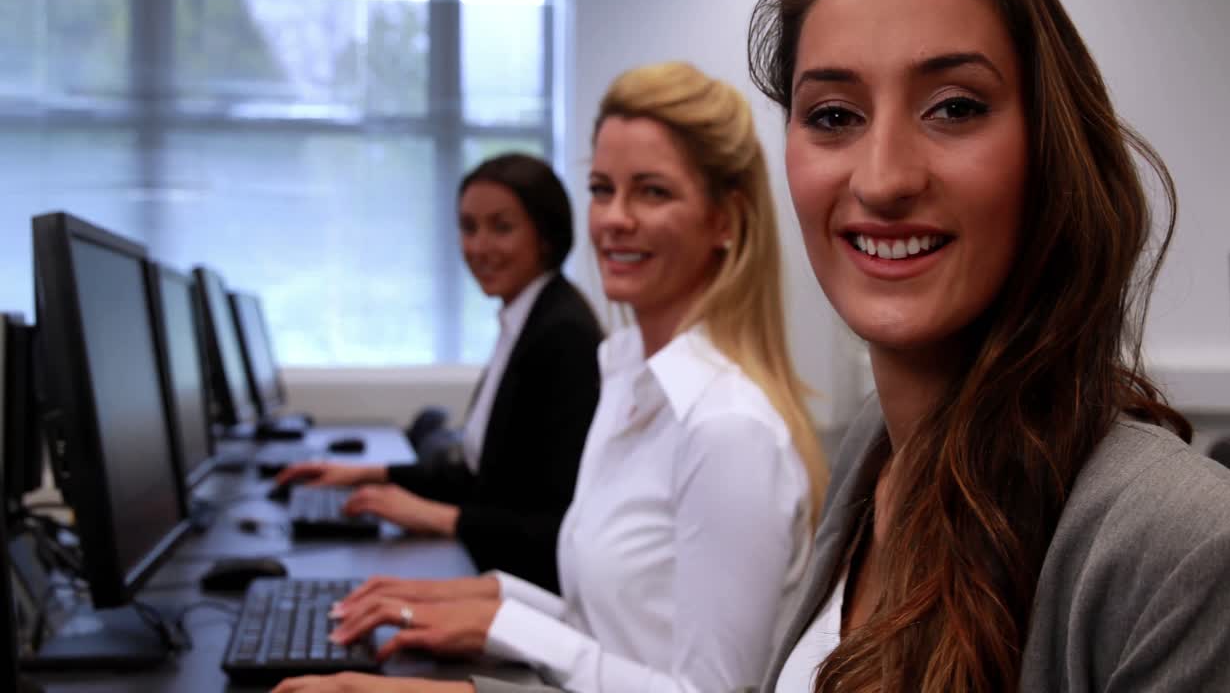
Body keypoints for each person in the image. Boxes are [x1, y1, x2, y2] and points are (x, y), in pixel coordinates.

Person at [738, 0, 1230, 691]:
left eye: (954, 107)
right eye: (834, 116)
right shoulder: (878, 457)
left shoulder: (1192, 549)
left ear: (1049, 148)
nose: (883, 179)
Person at [271, 62, 829, 693]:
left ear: (726, 220)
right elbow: (602, 626)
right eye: (601, 189)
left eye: (651, 192)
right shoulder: (624, 379)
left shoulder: (727, 429)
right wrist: (468, 603)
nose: (614, 218)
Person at [276, 153, 603, 594]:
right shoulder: (525, 319)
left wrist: (439, 517)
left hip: (528, 592)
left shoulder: (562, 334)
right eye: (468, 228)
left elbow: (557, 526)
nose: (479, 247)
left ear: (545, 235)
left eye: (501, 227)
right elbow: (481, 477)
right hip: (495, 572)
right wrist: (372, 475)